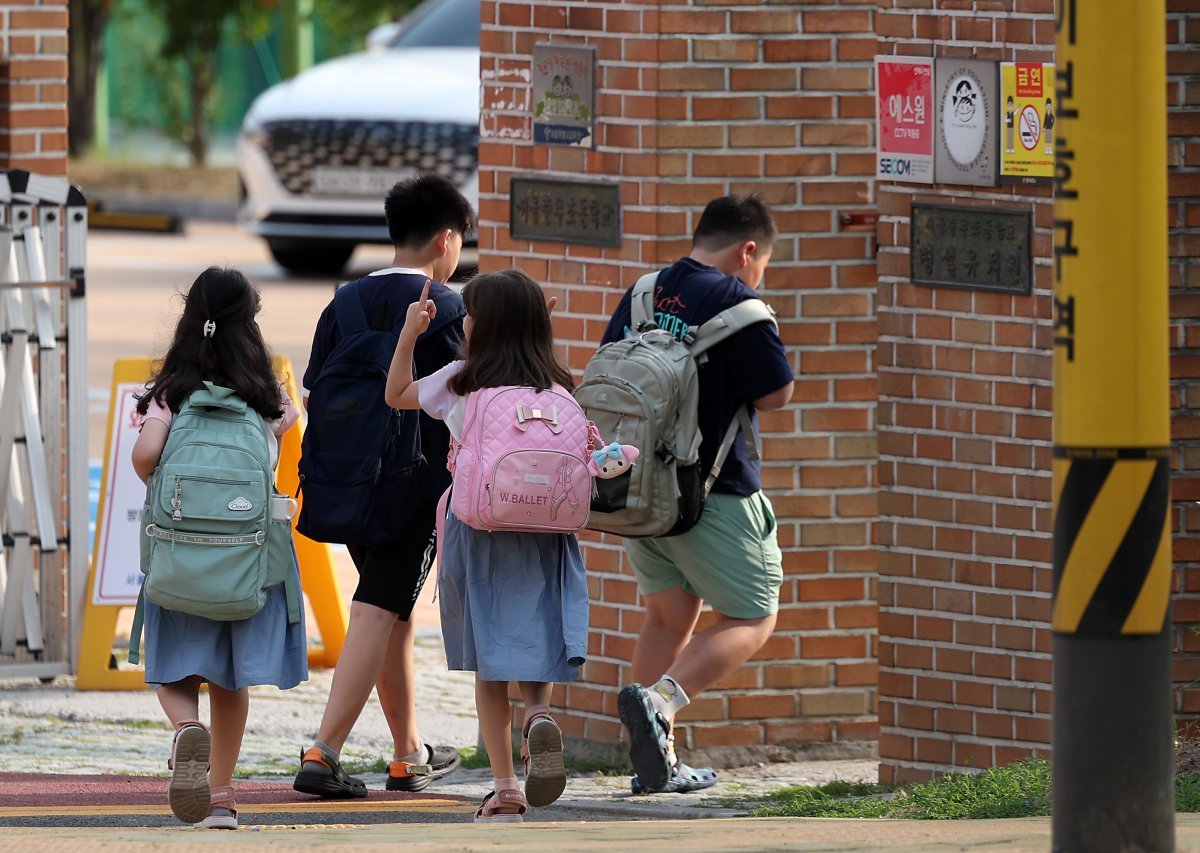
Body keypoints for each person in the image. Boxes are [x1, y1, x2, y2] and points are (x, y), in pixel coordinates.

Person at [600, 195, 794, 794]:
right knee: (754, 615)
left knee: (668, 616)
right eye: (762, 264)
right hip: (712, 492)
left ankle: (654, 763)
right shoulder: (742, 305)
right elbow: (774, 397)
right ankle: (661, 703)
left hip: (637, 492)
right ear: (749, 250)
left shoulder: (644, 292)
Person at [384, 270, 589, 823]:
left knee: (490, 662)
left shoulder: (463, 381)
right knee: (534, 637)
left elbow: (396, 393)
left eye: (469, 315)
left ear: (482, 325)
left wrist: (409, 334)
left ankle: (505, 788)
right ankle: (540, 715)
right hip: (547, 533)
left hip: (481, 528)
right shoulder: (557, 386)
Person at [292, 174, 470, 798]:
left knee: (388, 610)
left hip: (344, 480)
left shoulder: (342, 302)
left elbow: (314, 391)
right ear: (445, 239)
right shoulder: (447, 308)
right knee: (377, 609)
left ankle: (407, 753)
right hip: (413, 490)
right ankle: (324, 752)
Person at [131, 266, 308, 829]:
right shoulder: (267, 395)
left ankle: (187, 731)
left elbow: (144, 458)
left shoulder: (170, 392)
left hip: (180, 559)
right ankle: (223, 797)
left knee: (174, 672)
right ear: (250, 324)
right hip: (246, 563)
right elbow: (284, 434)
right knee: (232, 680)